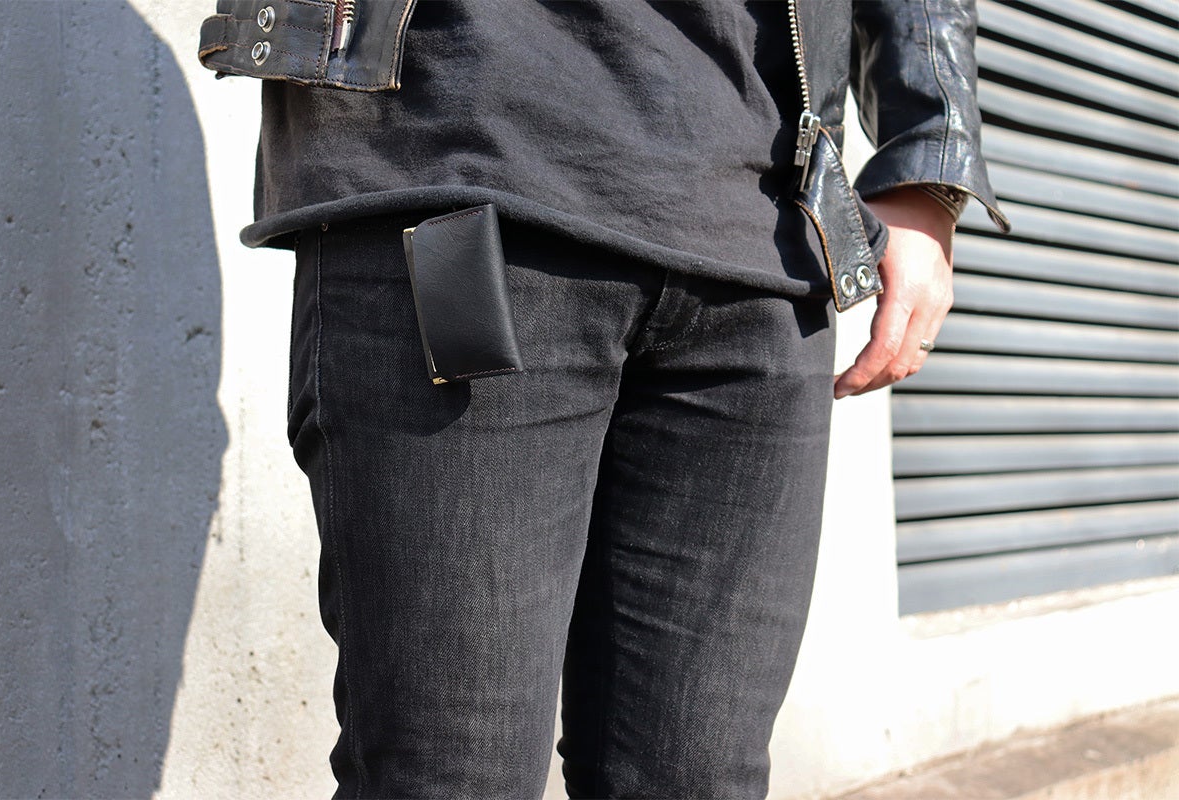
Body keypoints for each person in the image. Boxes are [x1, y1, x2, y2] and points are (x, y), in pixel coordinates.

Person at [199, 1, 1009, 797]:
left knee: (696, 780)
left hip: (765, 244)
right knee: (450, 775)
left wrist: (929, 160)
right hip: (462, 177)